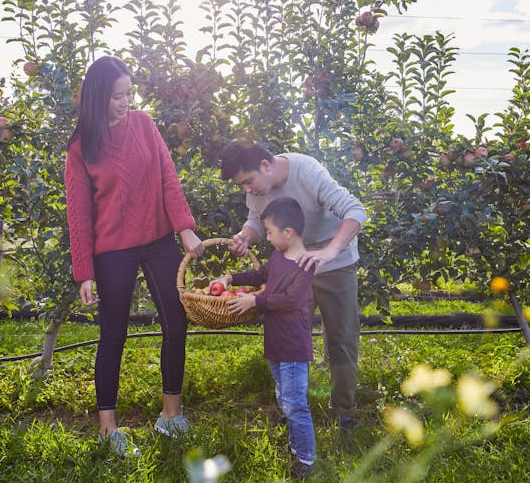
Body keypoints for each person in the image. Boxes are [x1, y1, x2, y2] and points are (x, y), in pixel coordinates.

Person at [64, 55, 204, 455]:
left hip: (159, 239)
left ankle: (170, 417)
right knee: (114, 335)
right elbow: (80, 215)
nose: (126, 101)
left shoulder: (144, 124)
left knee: (176, 322)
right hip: (113, 250)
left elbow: (168, 177)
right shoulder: (81, 148)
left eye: (129, 93)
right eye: (117, 96)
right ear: (97, 97)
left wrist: (185, 228)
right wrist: (84, 272)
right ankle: (109, 431)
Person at [220, 139, 367, 434]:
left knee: (340, 339)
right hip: (290, 264)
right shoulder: (256, 190)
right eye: (241, 186)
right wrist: (245, 236)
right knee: (287, 339)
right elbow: (256, 221)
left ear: (265, 165)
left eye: (248, 181)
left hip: (333, 264)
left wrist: (329, 251)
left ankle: (344, 412)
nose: (247, 190)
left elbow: (355, 211)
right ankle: (292, 407)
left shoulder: (307, 171)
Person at [211, 197, 316, 480]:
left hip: (294, 346)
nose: (266, 237)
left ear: (288, 233)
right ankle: (295, 443)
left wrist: (254, 301)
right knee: (284, 396)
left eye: (269, 232)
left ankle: (306, 460)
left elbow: (291, 300)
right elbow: (260, 274)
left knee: (296, 403)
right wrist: (231, 278)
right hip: (276, 343)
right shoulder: (279, 257)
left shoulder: (306, 265)